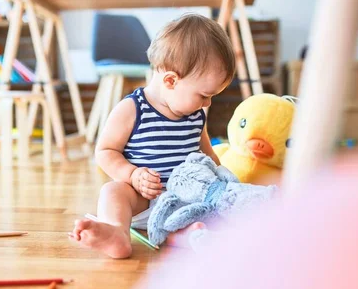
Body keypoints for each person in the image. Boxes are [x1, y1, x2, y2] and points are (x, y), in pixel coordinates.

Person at [69, 13, 236, 258]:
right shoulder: (132, 109)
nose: (207, 103)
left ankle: (185, 234)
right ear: (171, 80)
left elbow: (208, 156)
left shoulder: (195, 116)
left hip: (184, 202)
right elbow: (105, 151)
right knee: (112, 191)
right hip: (143, 199)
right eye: (203, 95)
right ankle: (117, 232)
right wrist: (132, 175)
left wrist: (224, 187)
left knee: (211, 209)